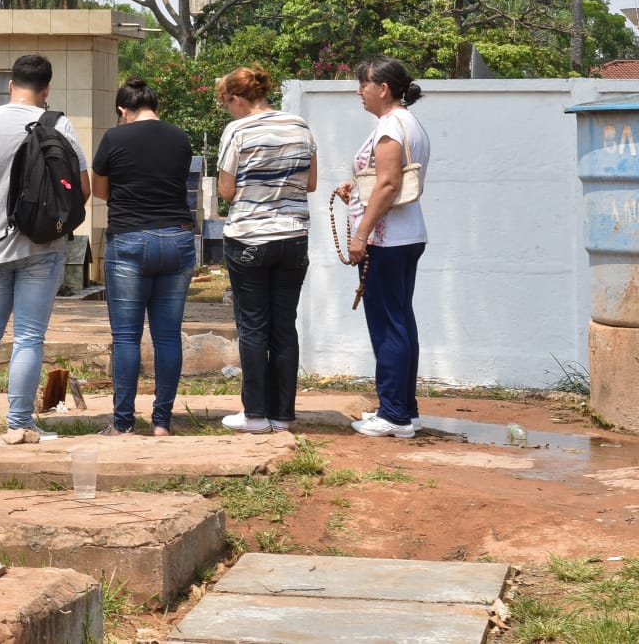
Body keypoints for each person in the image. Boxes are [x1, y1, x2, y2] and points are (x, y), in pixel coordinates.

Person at [0, 54, 90, 444]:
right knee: (29, 337)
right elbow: (83, 189)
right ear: (46, 90)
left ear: (10, 85)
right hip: (43, 248)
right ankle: (18, 424)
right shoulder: (59, 124)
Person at [91, 76, 196, 437]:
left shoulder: (114, 138)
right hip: (178, 239)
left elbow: (100, 190)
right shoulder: (180, 137)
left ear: (123, 110)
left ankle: (123, 424)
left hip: (130, 241)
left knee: (126, 337)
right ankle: (162, 423)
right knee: (167, 336)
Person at [216, 67, 318, 434]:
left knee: (253, 326)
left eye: (226, 102)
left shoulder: (238, 130)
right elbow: (311, 182)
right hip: (293, 236)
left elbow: (226, 191)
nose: (227, 109)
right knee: (284, 327)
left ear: (237, 98)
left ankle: (255, 414)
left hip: (249, 237)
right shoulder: (300, 126)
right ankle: (284, 415)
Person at [333, 56, 431, 439]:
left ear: (383, 88)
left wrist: (361, 235)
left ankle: (393, 414)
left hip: (385, 240)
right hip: (407, 235)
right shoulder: (408, 123)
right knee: (401, 320)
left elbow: (389, 184)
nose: (359, 91)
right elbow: (385, 180)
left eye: (364, 85)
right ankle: (405, 409)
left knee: (388, 324)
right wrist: (355, 188)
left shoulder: (390, 126)